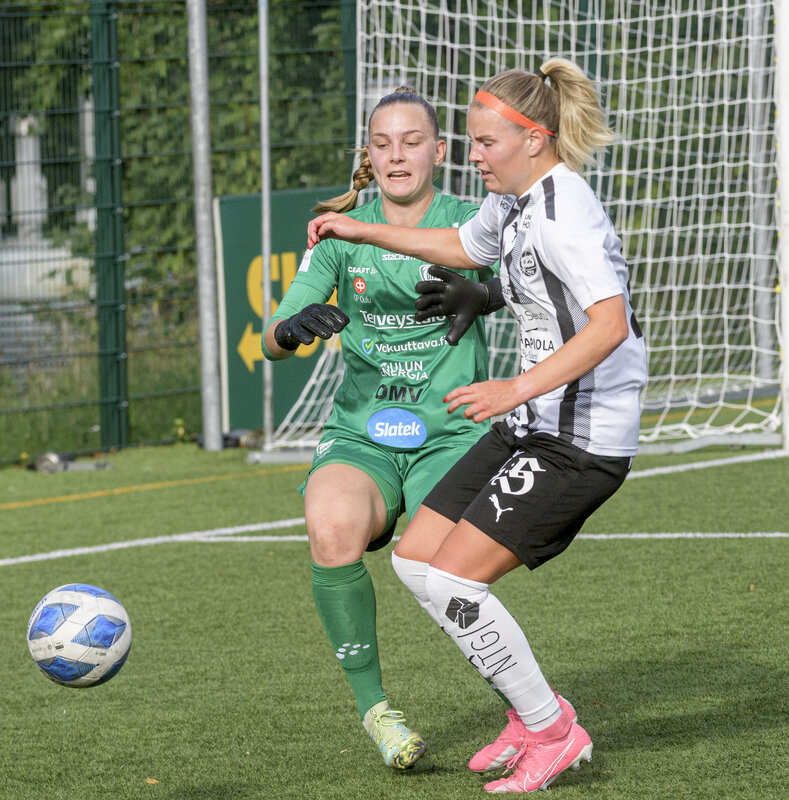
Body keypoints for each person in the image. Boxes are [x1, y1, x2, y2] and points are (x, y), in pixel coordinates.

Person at [307, 58, 647, 794]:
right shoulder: (515, 202)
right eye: (471, 140)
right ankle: (532, 715)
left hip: (579, 438)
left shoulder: (562, 213)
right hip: (532, 419)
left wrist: (514, 387)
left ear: (534, 139)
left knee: (456, 582)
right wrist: (359, 228)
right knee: (415, 558)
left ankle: (552, 729)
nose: (474, 154)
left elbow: (610, 324)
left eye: (487, 141)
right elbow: (462, 248)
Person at [263, 87, 497, 771]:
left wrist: (488, 294)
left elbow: (533, 285)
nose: (398, 155)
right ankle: (376, 711)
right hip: (363, 435)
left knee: (445, 564)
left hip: (450, 433)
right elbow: (274, 337)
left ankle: (526, 709)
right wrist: (292, 328)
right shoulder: (338, 235)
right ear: (369, 155)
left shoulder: (473, 223)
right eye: (384, 143)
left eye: (412, 141)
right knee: (331, 526)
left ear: (439, 151)